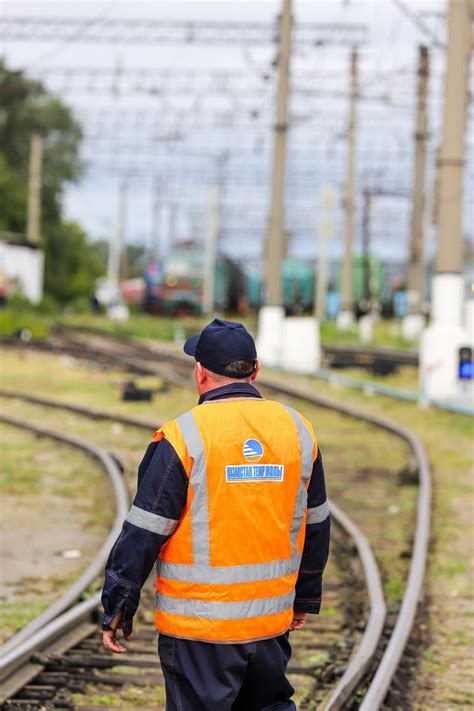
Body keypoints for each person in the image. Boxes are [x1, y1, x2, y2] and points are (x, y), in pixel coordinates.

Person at [101, 318, 330, 711]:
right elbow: (316, 521)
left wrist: (118, 602)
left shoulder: (183, 436)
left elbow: (146, 529)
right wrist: (305, 596)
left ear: (200, 373)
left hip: (198, 630)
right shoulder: (297, 430)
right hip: (269, 622)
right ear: (255, 371)